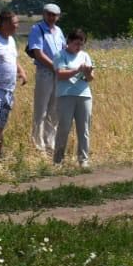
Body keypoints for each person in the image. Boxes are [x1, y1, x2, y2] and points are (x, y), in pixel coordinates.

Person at [0, 10, 27, 161]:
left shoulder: (11, 41)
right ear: (4, 24)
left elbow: (12, 59)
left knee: (0, 124)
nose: (17, 26)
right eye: (15, 23)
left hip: (8, 90)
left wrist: (21, 71)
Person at [26, 3, 65, 154]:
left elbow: (62, 50)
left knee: (55, 109)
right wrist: (55, 67)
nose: (51, 17)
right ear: (44, 14)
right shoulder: (37, 29)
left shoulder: (59, 31)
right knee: (41, 109)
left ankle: (50, 142)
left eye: (54, 15)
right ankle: (38, 144)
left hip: (58, 73)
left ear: (58, 16)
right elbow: (38, 53)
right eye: (49, 14)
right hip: (45, 73)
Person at [53, 28, 96, 168]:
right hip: (65, 95)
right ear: (69, 42)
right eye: (77, 43)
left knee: (84, 129)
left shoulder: (85, 55)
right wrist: (78, 70)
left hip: (83, 94)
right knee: (64, 127)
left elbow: (90, 78)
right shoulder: (60, 55)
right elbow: (60, 74)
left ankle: (83, 160)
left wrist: (88, 73)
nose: (79, 47)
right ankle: (58, 160)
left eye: (81, 44)